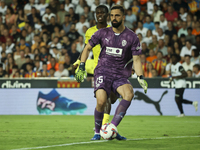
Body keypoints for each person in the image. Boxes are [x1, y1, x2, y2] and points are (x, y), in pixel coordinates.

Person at [75, 5, 148, 140]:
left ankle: (111, 128)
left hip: (120, 74)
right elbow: (87, 48)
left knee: (129, 94)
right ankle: (97, 132)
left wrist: (140, 77)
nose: (114, 18)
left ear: (123, 17)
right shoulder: (102, 33)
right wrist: (82, 66)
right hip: (103, 71)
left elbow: (136, 60)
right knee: (102, 101)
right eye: (112, 16)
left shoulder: (132, 37)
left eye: (117, 15)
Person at [73, 5, 114, 128]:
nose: (100, 14)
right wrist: (78, 62)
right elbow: (86, 49)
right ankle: (105, 125)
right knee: (104, 98)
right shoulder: (90, 31)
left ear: (107, 15)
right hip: (99, 68)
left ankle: (104, 122)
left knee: (111, 99)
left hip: (114, 67)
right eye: (97, 12)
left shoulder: (113, 30)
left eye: (102, 12)